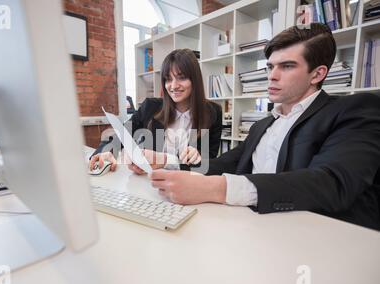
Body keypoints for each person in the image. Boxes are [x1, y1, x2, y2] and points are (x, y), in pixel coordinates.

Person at [149, 23, 380, 231]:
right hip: (253, 227)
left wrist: (216, 188)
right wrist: (168, 163)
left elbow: (332, 183)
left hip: (315, 238)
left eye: (287, 66)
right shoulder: (262, 125)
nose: (272, 76)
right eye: (270, 67)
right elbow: (223, 162)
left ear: (317, 73)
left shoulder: (354, 110)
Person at [89, 48, 223, 173]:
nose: (173, 86)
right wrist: (106, 152)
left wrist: (196, 157)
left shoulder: (213, 113)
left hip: (186, 186)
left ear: (195, 80)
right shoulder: (150, 107)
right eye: (168, 79)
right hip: (150, 182)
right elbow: (121, 134)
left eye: (181, 77)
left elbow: (208, 165)